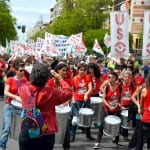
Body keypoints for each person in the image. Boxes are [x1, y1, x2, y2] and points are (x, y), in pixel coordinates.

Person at [18, 63, 72, 150]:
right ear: (47, 77)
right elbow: (68, 93)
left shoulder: (23, 89)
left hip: (27, 129)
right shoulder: (52, 92)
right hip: (46, 131)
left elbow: (29, 84)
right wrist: (60, 79)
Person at [0, 59, 27, 150]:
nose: (23, 72)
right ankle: (2, 147)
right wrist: (15, 97)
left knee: (22, 131)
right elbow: (6, 92)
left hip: (21, 108)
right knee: (6, 128)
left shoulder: (26, 81)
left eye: (24, 70)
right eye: (20, 70)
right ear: (15, 71)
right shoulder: (10, 80)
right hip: (10, 106)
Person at [93, 71, 122, 149]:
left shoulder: (119, 87)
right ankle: (97, 143)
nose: (110, 79)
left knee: (117, 125)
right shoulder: (107, 87)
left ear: (115, 78)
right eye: (109, 77)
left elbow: (121, 98)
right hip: (106, 109)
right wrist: (109, 105)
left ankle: (116, 141)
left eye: (112, 77)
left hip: (116, 109)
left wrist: (119, 104)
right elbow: (103, 99)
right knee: (102, 126)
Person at [46, 62, 72, 150]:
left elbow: (70, 93)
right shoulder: (50, 82)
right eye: (63, 71)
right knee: (52, 132)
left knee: (66, 132)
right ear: (57, 71)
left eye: (66, 71)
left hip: (64, 110)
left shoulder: (67, 81)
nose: (65, 72)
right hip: (53, 110)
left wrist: (67, 101)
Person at [70, 62, 95, 142]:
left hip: (86, 101)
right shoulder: (74, 78)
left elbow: (90, 88)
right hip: (77, 101)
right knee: (75, 119)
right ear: (78, 70)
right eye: (81, 70)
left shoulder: (88, 77)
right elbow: (72, 90)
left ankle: (88, 135)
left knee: (87, 119)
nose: (82, 71)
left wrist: (86, 94)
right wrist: (73, 99)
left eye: (84, 70)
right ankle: (72, 136)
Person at [134, 73, 150, 150]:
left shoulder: (144, 90)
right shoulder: (142, 88)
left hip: (145, 119)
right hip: (145, 118)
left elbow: (141, 107)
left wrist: (140, 112)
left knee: (140, 141)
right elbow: (133, 97)